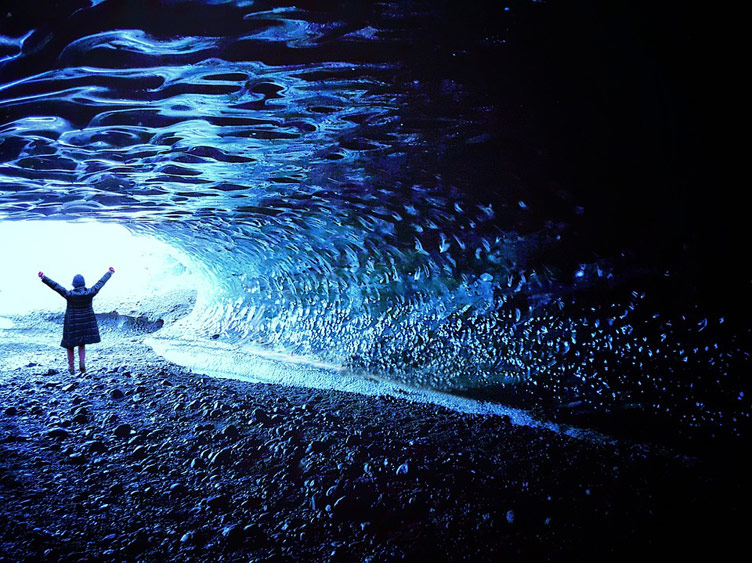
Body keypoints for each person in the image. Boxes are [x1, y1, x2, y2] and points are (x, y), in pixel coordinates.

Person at [38, 267, 115, 375]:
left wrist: (44, 277)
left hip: (72, 323)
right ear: (83, 284)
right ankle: (82, 362)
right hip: (85, 323)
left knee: (70, 345)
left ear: (73, 284)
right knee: (81, 343)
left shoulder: (69, 295)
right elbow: (100, 283)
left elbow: (56, 286)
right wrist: (109, 273)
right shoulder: (90, 292)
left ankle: (71, 366)